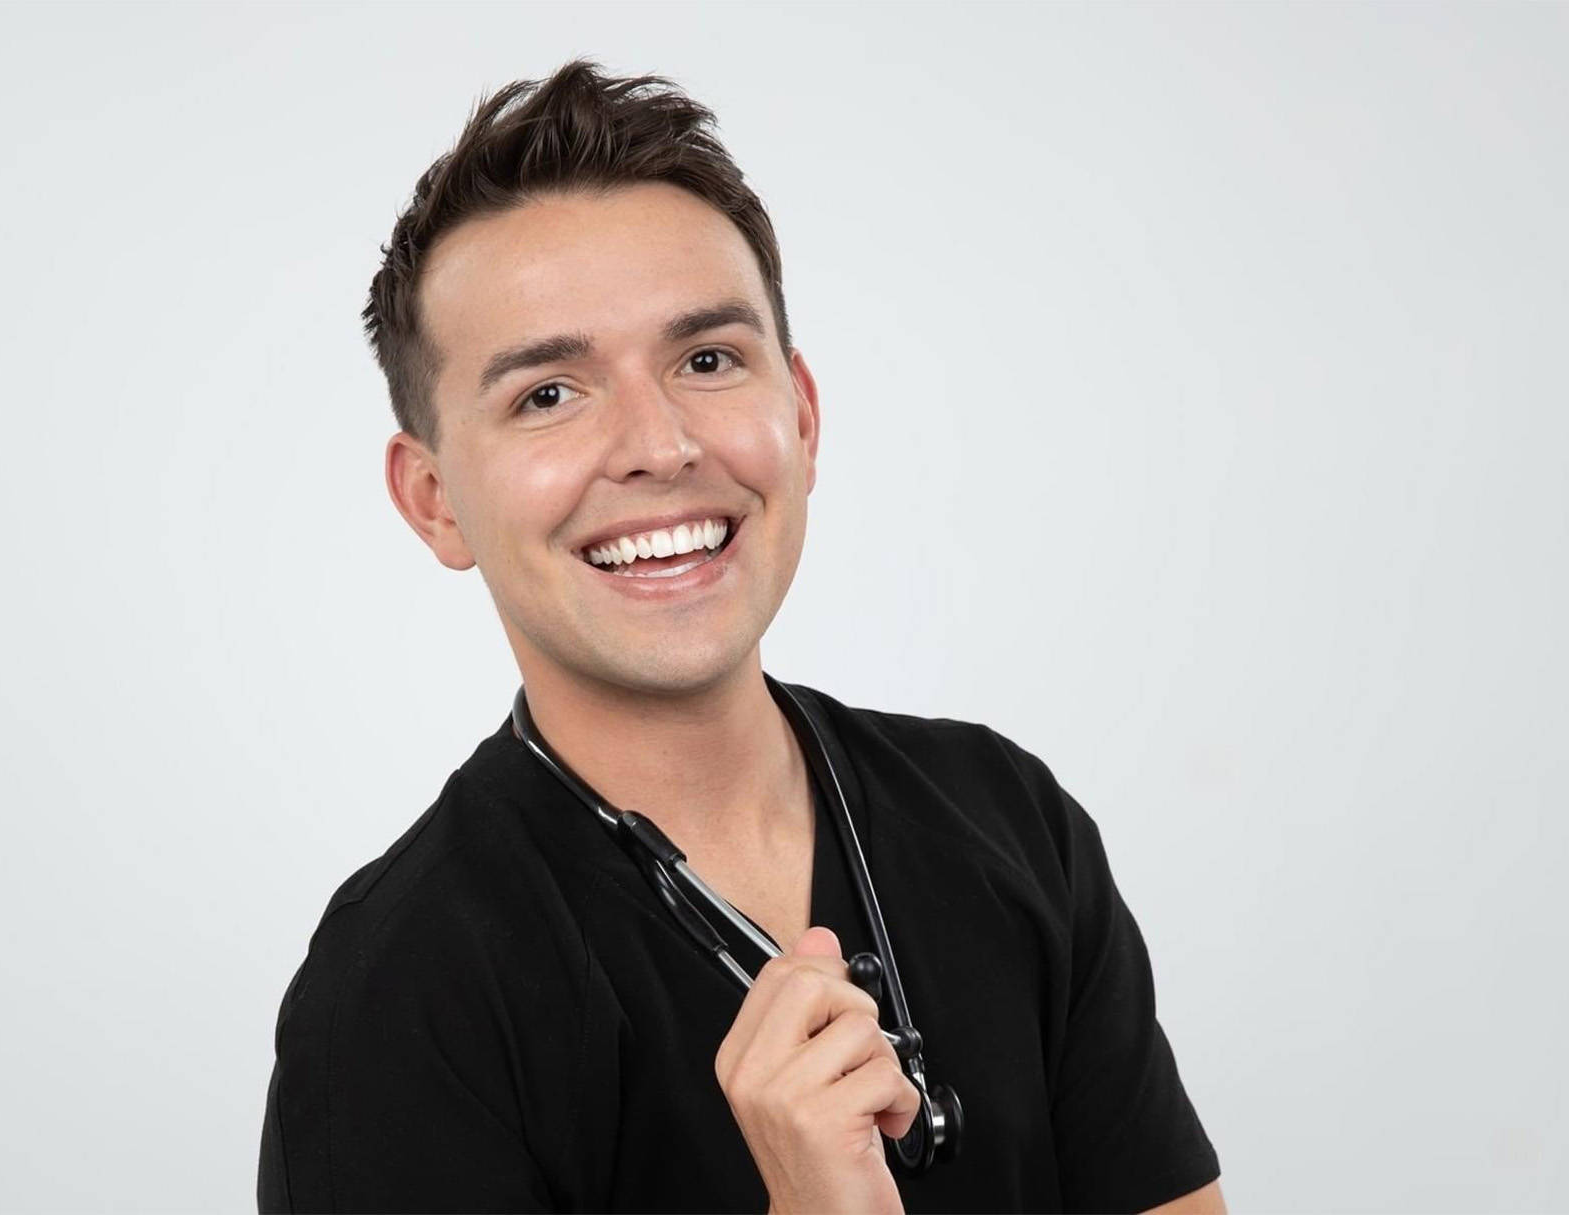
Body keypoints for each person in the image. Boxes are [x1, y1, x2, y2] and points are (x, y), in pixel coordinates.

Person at [257, 58, 1225, 1214]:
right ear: (435, 501)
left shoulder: (1011, 822)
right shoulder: (401, 993)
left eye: (707, 360)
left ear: (802, 418)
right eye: (548, 395)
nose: (659, 446)